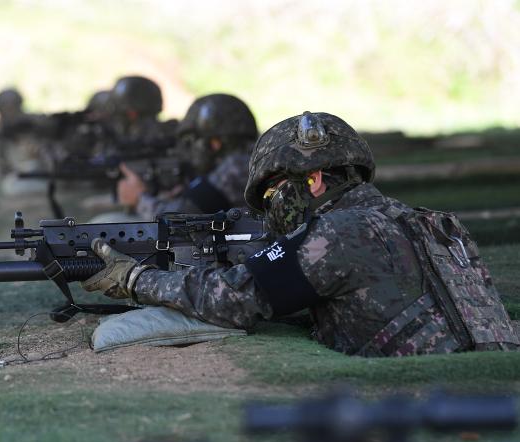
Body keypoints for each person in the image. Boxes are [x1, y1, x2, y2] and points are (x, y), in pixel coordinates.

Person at [78, 111, 519, 357]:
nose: (270, 205)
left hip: (429, 396)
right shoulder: (433, 223)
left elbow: (231, 299)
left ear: (314, 182)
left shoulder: (336, 235)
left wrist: (135, 278)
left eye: (272, 190)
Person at [117, 93, 258, 220]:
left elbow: (177, 219)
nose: (188, 149)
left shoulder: (237, 167)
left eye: (191, 140)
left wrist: (138, 198)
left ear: (215, 143)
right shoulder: (250, 158)